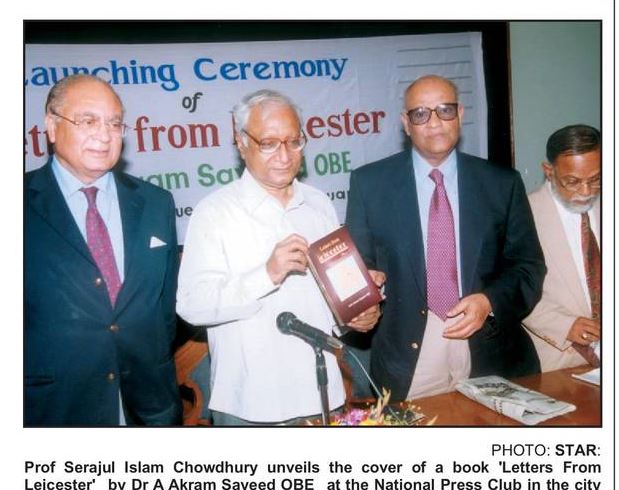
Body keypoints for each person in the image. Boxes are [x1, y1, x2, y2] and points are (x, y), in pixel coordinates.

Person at [176, 89, 381, 425]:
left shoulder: (318, 204)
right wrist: (267, 274)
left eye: (294, 141)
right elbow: (192, 306)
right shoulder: (213, 213)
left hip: (322, 394)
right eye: (269, 143)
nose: (284, 156)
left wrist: (356, 313)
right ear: (241, 141)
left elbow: (327, 310)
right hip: (252, 405)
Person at [345, 74, 546, 401]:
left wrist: (489, 302)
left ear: (460, 114)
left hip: (489, 347)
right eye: (420, 114)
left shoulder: (501, 183)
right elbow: (359, 268)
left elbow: (528, 267)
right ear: (405, 123)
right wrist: (364, 296)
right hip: (408, 355)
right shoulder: (369, 184)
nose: (435, 122)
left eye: (445, 110)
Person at [25, 74, 181, 426]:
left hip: (151, 408)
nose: (104, 134)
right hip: (54, 411)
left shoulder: (156, 203)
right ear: (51, 126)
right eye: (88, 121)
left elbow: (164, 310)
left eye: (114, 123)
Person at [523, 125, 601, 371]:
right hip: (560, 359)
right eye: (573, 182)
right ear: (549, 171)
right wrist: (564, 325)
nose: (586, 192)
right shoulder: (523, 214)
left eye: (595, 179)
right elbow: (515, 288)